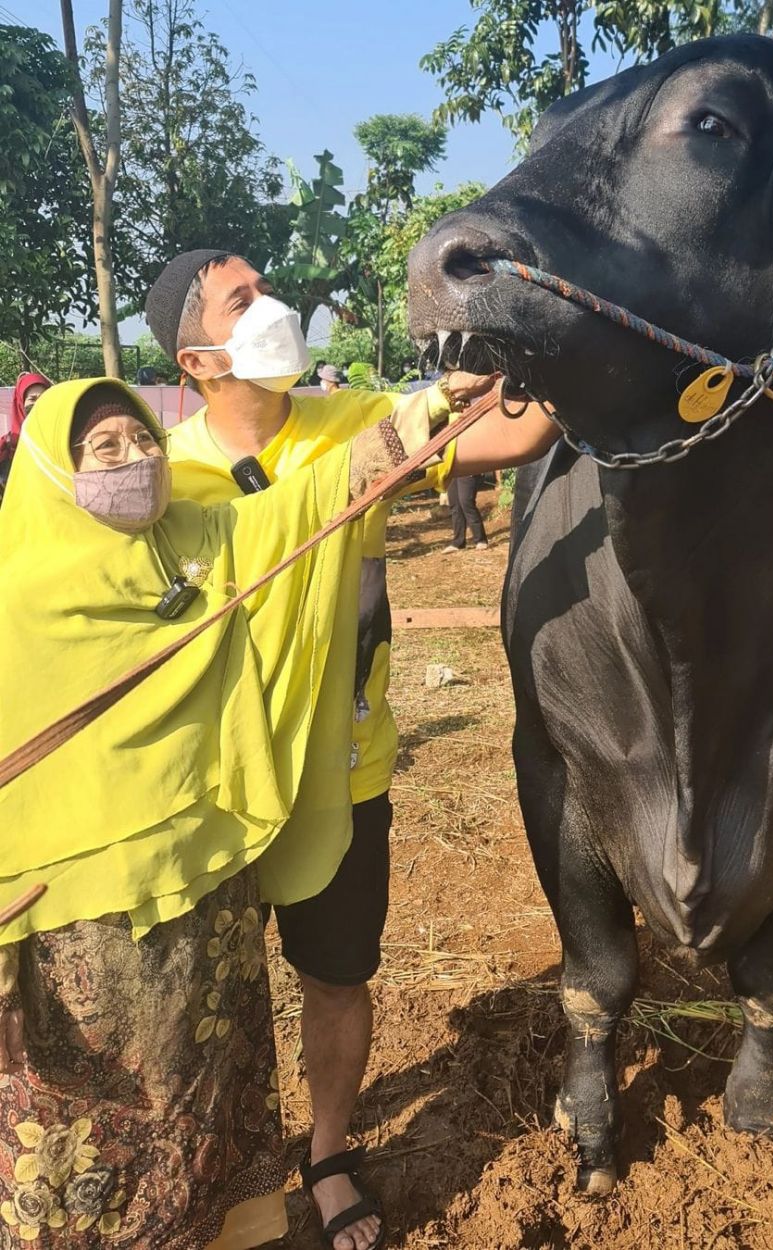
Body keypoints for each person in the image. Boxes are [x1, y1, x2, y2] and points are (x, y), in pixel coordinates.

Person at [145, 249, 560, 1250]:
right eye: (243, 300)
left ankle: (327, 1151)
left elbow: (516, 425)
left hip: (344, 774)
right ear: (198, 359)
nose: (273, 307)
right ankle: (210, 1172)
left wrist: (553, 346)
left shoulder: (358, 420)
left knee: (335, 975)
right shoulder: (164, 478)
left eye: (264, 287)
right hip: (213, 789)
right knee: (204, 1000)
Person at [0, 375, 433, 1248]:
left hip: (210, 905)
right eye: (106, 450)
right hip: (77, 932)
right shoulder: (15, 601)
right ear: (53, 467)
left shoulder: (192, 540)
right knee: (90, 1138)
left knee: (210, 1100)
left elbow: (311, 497)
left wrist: (429, 410)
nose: (136, 461)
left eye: (144, 441)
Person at [0, 373, 50, 503]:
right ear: (20, 403)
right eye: (32, 399)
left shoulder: (62, 440)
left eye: (45, 398)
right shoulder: (7, 447)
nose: (38, 404)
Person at [444, 472, 488, 551]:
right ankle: (458, 542)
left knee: (466, 502)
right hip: (451, 472)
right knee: (455, 506)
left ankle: (480, 539)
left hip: (468, 470)